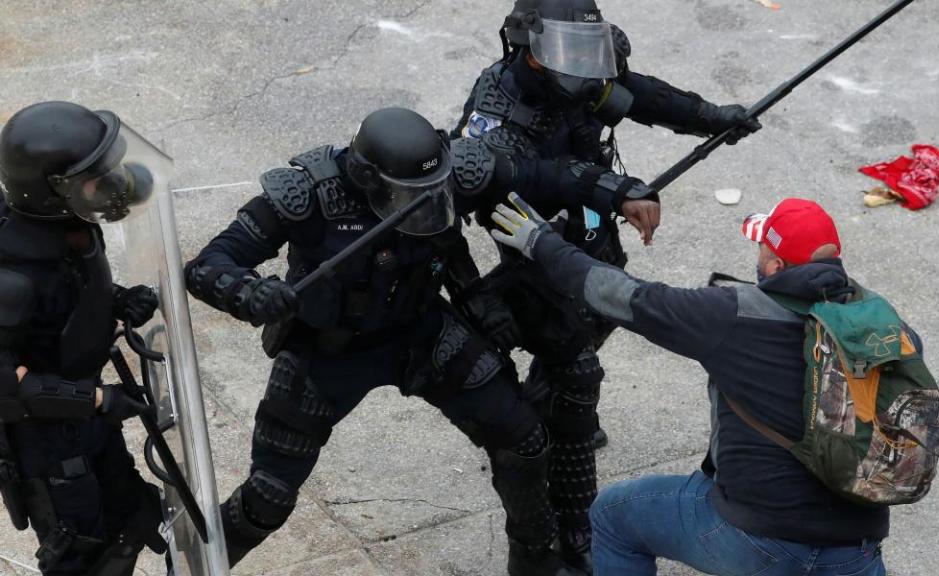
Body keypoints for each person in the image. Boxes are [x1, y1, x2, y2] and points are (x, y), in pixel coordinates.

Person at [183, 107, 651, 576]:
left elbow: (544, 175)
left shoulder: (452, 172)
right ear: (366, 177)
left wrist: (620, 192)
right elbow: (208, 264)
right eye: (410, 195)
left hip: (423, 332)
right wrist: (250, 292)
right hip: (328, 353)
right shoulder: (306, 194)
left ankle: (536, 561)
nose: (428, 204)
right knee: (268, 497)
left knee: (522, 437)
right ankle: (194, 566)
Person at [452, 0, 762, 570]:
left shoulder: (582, 72)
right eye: (567, 57)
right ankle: (576, 534)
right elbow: (535, 177)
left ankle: (546, 401)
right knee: (577, 376)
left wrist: (712, 116)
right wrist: (615, 189)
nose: (585, 74)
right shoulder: (495, 110)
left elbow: (641, 94)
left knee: (596, 321)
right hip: (534, 243)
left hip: (591, 231)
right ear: (528, 48)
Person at [489, 194, 896, 576]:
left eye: (761, 249)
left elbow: (620, 294)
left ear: (774, 267)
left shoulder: (732, 315)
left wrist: (541, 243)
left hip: (761, 537)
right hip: (858, 545)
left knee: (612, 516)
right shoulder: (881, 322)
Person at [0, 101, 169, 576]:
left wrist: (114, 298)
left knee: (133, 517)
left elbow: (62, 297)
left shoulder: (65, 231)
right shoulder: (12, 277)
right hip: (50, 441)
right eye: (94, 177)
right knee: (80, 551)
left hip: (90, 420)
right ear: (52, 191)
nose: (112, 182)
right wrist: (95, 399)